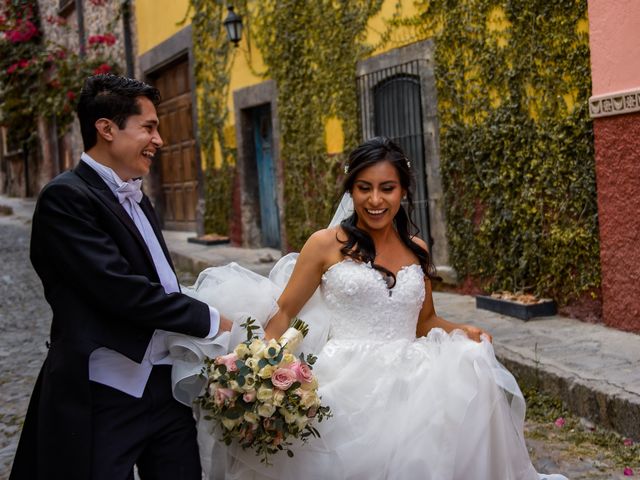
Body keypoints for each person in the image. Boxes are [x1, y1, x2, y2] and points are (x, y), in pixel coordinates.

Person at [171, 137, 568, 479]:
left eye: (387, 188)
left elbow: (425, 321)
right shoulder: (325, 244)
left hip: (416, 383)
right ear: (351, 189)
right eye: (364, 188)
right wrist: (262, 368)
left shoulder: (418, 249)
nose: (375, 200)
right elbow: (284, 311)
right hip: (345, 379)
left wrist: (465, 330)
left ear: (403, 191)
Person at [10, 74, 231, 480]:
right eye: (148, 127)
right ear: (106, 129)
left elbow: (161, 280)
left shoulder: (136, 194)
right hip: (102, 392)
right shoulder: (66, 198)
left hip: (164, 390)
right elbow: (122, 291)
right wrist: (215, 321)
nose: (159, 139)